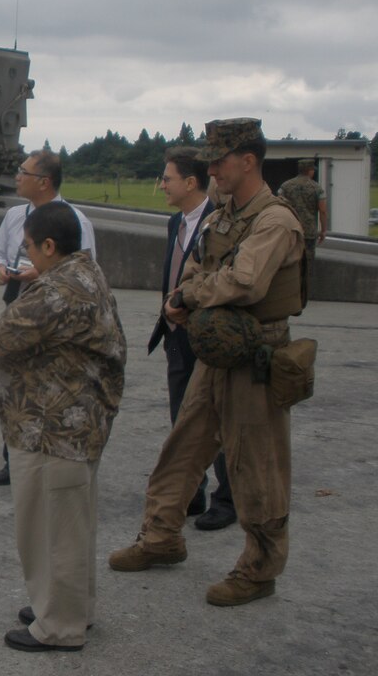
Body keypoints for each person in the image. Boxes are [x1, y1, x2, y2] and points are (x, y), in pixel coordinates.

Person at [109, 118, 305, 607]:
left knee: (256, 467)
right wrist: (182, 294)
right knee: (183, 448)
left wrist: (188, 295)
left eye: (219, 160)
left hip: (257, 357)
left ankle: (259, 570)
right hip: (216, 354)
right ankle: (161, 537)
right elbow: (198, 267)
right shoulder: (222, 217)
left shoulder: (275, 220)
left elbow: (245, 283)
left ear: (248, 161)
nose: (211, 168)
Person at [0, 201, 125, 652]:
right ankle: (69, 607)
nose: (25, 256)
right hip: (75, 425)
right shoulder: (82, 272)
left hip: (51, 428)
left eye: (29, 247)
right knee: (71, 526)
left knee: (51, 530)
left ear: (50, 245)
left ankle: (58, 626)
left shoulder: (58, 291)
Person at [0, 149, 96, 485]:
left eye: (23, 172)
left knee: (51, 386)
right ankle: (13, 458)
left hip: (57, 315)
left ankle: (51, 457)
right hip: (19, 306)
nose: (16, 176)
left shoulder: (75, 220)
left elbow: (87, 270)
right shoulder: (15, 216)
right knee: (16, 382)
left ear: (44, 182)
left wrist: (42, 275)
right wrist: (0, 268)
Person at [147, 147, 235, 531]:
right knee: (181, 418)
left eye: (167, 178)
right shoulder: (175, 223)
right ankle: (192, 492)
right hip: (175, 335)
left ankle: (228, 499)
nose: (161, 184)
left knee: (215, 419)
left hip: (206, 336)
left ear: (190, 182)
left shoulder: (220, 224)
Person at [277, 159, 327, 269]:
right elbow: (323, 211)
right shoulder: (317, 188)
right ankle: (305, 285)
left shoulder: (285, 186)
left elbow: (278, 205)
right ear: (309, 171)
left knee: (290, 263)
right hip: (308, 233)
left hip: (290, 230)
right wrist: (323, 230)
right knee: (307, 265)